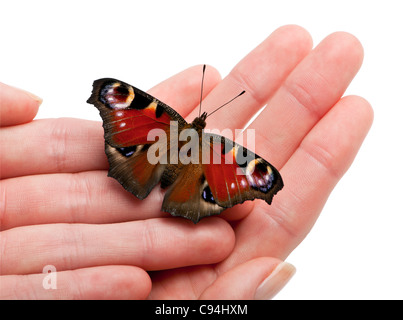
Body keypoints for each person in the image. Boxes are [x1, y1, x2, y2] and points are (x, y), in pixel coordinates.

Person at [0, 25, 373, 299]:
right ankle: (180, 193)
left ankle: (160, 180)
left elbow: (127, 101)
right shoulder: (221, 151)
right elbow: (114, 96)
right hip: (187, 183)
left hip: (142, 160)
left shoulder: (163, 120)